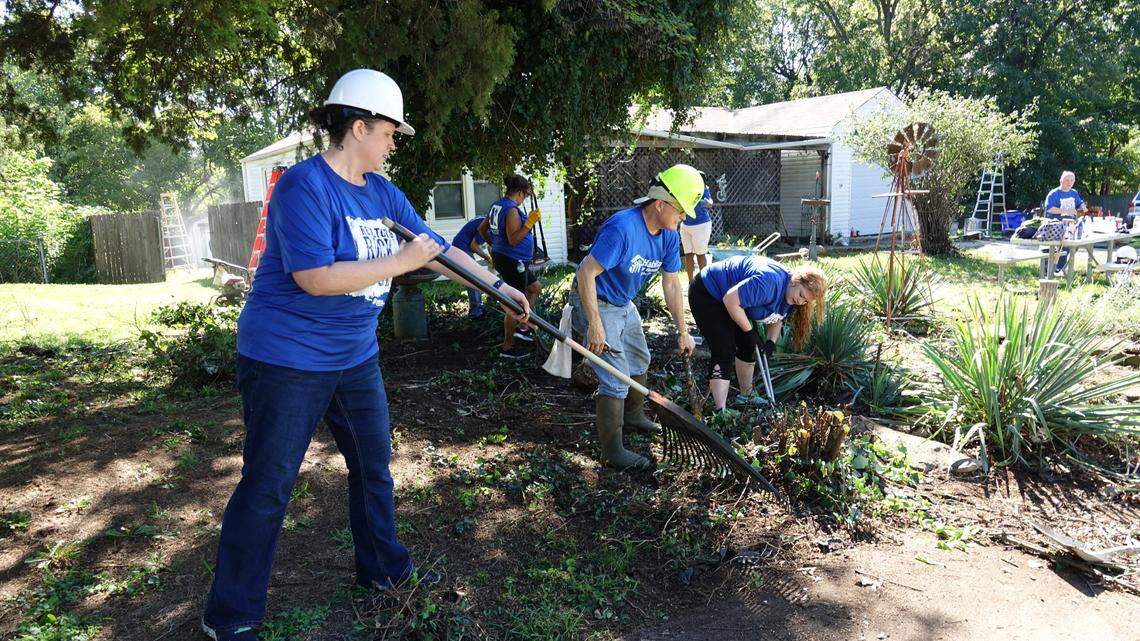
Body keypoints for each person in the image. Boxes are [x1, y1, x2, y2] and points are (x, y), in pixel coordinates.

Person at [201, 69, 530, 641]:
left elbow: (436, 251)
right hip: (287, 359)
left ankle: (382, 571)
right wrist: (398, 264)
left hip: (353, 358)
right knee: (269, 483)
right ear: (358, 127)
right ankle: (231, 616)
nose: (395, 143)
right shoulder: (303, 187)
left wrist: (497, 289)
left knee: (373, 466)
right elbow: (314, 278)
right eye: (389, 132)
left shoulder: (382, 191)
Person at [571, 164, 701, 471]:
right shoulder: (623, 228)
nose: (682, 218)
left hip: (622, 303)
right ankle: (612, 450)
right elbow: (586, 272)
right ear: (660, 204)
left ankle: (632, 416)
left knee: (640, 360)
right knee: (616, 376)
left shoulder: (669, 234)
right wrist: (595, 324)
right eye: (680, 211)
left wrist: (683, 330)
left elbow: (671, 282)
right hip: (597, 300)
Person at [689, 255, 827, 411]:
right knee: (724, 348)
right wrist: (749, 332)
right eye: (801, 295)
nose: (801, 302)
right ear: (795, 281)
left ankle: (745, 397)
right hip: (708, 292)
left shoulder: (792, 296)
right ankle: (720, 411)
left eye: (806, 301)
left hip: (732, 300)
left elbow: (778, 316)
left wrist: (770, 342)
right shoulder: (769, 282)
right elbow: (730, 300)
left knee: (748, 348)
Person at [480, 174, 542, 359]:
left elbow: (482, 229)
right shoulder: (512, 209)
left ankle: (523, 327)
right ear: (521, 193)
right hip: (512, 260)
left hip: (509, 258)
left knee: (534, 288)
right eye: (526, 195)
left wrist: (495, 245)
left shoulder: (497, 205)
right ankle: (507, 348)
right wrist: (529, 223)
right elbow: (514, 239)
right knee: (514, 303)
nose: (525, 199)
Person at [1043, 171, 1088, 274]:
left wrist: (1082, 206)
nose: (1069, 183)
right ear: (1061, 180)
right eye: (1067, 180)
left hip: (1071, 226)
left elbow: (1079, 203)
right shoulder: (1054, 194)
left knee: (1072, 247)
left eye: (1072, 180)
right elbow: (1049, 209)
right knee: (1058, 248)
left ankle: (1060, 268)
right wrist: (1066, 211)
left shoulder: (1074, 192)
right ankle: (1050, 269)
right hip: (1056, 227)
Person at [451, 216, 492, 317]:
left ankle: (479, 307)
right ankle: (476, 311)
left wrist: (494, 258)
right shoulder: (486, 226)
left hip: (463, 245)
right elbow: (473, 246)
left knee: (474, 277)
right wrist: (488, 258)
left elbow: (491, 245)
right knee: (473, 278)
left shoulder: (489, 222)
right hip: (461, 247)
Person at [681, 180, 713, 281]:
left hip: (701, 225)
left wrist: (707, 203)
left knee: (700, 255)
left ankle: (703, 284)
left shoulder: (703, 188)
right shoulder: (684, 188)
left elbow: (710, 203)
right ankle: (690, 283)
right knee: (688, 255)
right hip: (685, 226)